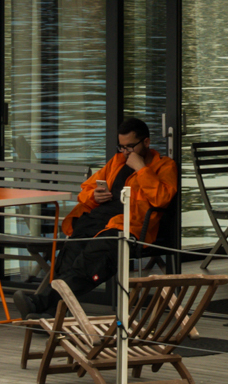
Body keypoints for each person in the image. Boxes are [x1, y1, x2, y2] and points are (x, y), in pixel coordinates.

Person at [21, 118, 178, 316]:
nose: (126, 152)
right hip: (95, 220)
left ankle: (42, 304)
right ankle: (51, 314)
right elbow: (86, 189)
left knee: (91, 260)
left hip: (127, 226)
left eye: (130, 146)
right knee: (69, 257)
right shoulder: (117, 161)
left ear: (146, 143)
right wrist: (94, 195)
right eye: (122, 147)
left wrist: (142, 169)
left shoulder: (164, 166)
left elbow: (161, 199)